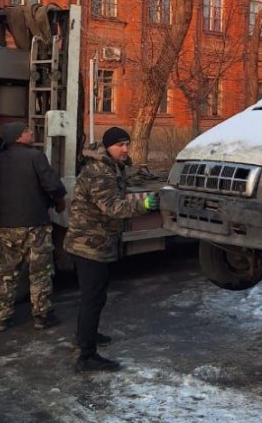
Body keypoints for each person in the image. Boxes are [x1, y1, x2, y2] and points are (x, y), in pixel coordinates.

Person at [64, 127, 159, 373]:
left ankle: (87, 335)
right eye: (119, 145)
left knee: (96, 296)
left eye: (127, 144)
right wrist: (145, 204)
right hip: (89, 244)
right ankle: (86, 356)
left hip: (98, 242)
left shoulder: (112, 167)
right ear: (107, 147)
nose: (124, 149)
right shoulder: (99, 171)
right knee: (93, 298)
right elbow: (113, 207)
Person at [0, 122, 67, 332]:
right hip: (35, 224)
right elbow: (53, 185)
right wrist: (60, 200)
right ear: (17, 138)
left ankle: (2, 318)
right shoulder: (35, 157)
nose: (31, 132)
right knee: (40, 272)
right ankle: (42, 316)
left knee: (6, 272)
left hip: (6, 225)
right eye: (26, 131)